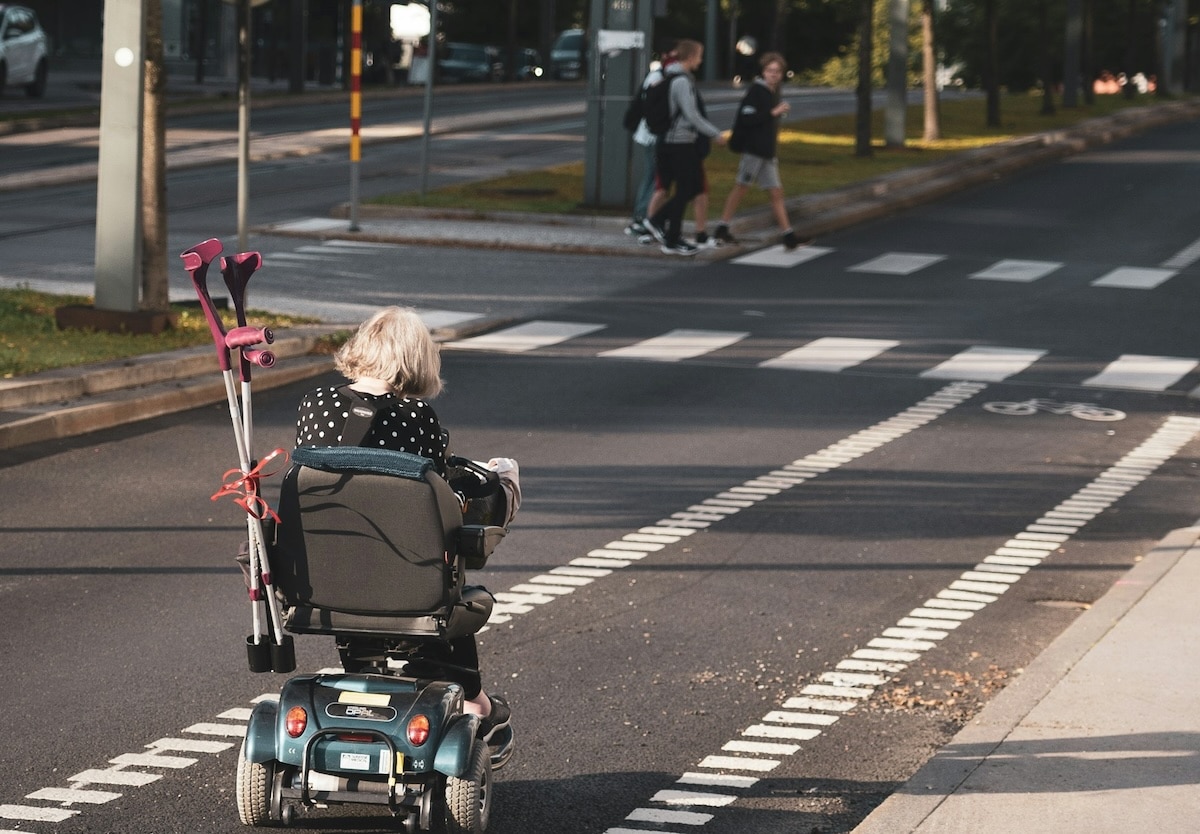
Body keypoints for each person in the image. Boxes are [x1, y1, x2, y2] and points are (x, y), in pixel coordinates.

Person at [294, 306, 517, 742]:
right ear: (416, 359)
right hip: (405, 575)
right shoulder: (416, 416)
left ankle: (364, 676)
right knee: (454, 588)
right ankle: (474, 699)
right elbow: (435, 490)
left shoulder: (315, 403)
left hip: (326, 572)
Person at [714, 52, 811, 250]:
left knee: (776, 192)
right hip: (754, 150)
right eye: (770, 71)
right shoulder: (757, 92)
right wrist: (772, 113)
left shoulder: (770, 93)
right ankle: (722, 227)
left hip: (766, 152)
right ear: (763, 72)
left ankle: (788, 235)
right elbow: (747, 119)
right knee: (742, 186)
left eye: (777, 71)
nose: (773, 74)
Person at [643, 39, 727, 256]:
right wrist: (715, 134)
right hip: (679, 143)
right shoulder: (681, 81)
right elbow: (691, 115)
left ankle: (671, 238)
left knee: (692, 188)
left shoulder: (672, 76)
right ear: (690, 57)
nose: (700, 60)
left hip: (671, 143)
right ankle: (660, 224)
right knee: (686, 190)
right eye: (699, 56)